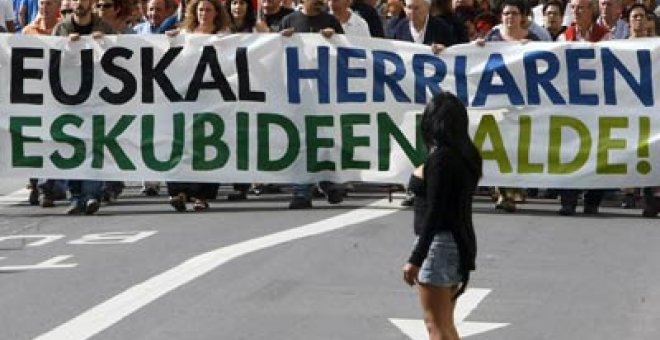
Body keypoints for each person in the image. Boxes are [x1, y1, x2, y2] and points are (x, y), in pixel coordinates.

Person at [402, 92, 482, 340]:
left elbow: (435, 211)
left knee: (435, 326)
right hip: (458, 242)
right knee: (445, 325)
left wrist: (416, 258)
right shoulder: (466, 155)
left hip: (439, 244)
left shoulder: (441, 159)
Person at [52, 0, 115, 214]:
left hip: (97, 97)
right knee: (73, 146)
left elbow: (119, 58)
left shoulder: (104, 28)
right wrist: (65, 46)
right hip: (69, 97)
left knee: (94, 145)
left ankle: (91, 195)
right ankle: (76, 196)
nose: (78, 3)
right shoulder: (61, 28)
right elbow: (51, 60)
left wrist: (105, 43)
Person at [556, 0, 609, 215]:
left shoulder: (605, 36)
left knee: (599, 149)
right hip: (571, 102)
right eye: (573, 8)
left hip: (597, 101)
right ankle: (568, 199)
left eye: (581, 7)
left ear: (591, 10)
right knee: (569, 150)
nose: (576, 11)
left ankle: (592, 200)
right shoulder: (563, 37)